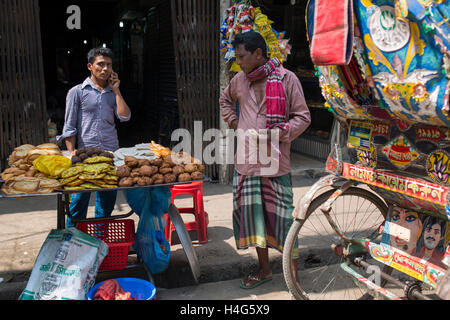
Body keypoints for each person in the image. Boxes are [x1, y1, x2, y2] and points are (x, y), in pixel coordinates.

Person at [219, 31, 311, 289]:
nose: (238, 62)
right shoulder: (239, 80)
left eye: (241, 57)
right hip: (247, 162)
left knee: (283, 221)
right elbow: (225, 100)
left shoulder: (287, 79)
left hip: (276, 163)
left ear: (258, 53)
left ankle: (293, 278)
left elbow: (303, 118)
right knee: (253, 219)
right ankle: (264, 270)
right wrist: (235, 121)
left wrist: (280, 132)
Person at [57, 47, 131, 227]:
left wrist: (116, 91)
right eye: (101, 64)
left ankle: (100, 243)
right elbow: (69, 127)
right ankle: (72, 243)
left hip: (110, 154)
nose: (105, 69)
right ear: (90, 66)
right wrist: (72, 155)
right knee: (77, 205)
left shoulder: (113, 93)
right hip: (84, 155)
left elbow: (125, 116)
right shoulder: (77, 92)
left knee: (105, 206)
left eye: (109, 65)